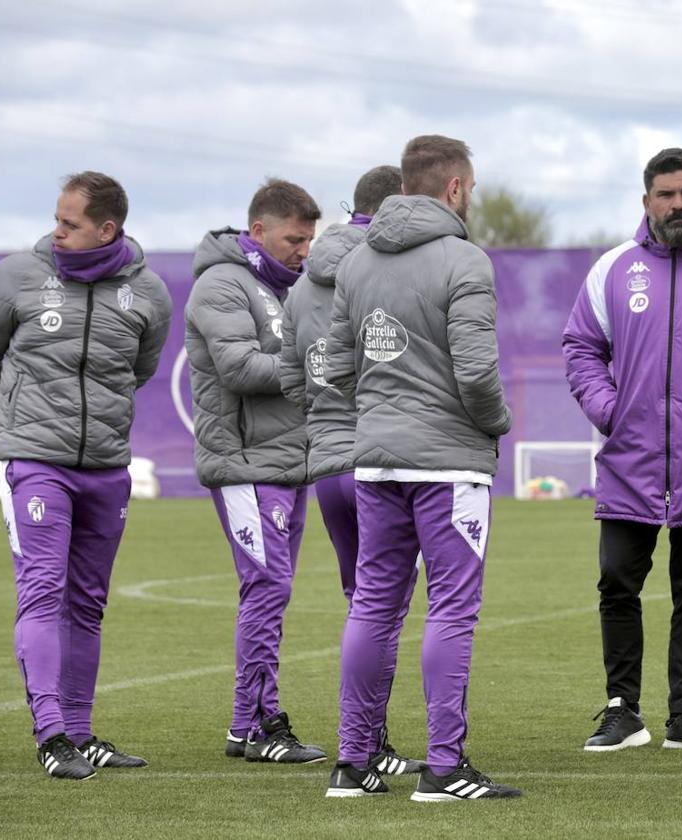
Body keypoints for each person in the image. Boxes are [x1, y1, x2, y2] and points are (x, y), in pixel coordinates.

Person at [326, 135, 520, 801]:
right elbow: (476, 372)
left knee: (374, 606)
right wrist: (497, 422)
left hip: (375, 461)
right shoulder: (464, 261)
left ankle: (353, 763)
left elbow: (340, 366)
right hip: (448, 463)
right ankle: (443, 767)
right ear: (457, 189)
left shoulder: (354, 265)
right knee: (452, 609)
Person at [563, 147, 682, 753]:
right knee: (617, 581)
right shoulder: (613, 269)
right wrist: (610, 412)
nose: (678, 205)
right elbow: (581, 347)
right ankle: (622, 710)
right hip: (631, 458)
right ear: (647, 202)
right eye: (666, 195)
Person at [0, 172, 172, 779]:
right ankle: (50, 735)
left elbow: (138, 369)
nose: (57, 231)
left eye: (70, 223)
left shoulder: (148, 293)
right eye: (57, 219)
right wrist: (16, 429)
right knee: (43, 591)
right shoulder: (17, 275)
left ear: (106, 228)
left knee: (88, 605)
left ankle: (79, 730)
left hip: (106, 468)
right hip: (36, 464)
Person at [279, 165, 426, 788]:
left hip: (327, 462)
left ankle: (360, 751)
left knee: (363, 609)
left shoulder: (301, 282)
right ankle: (369, 746)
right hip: (381, 459)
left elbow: (291, 376)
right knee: (388, 612)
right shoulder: (394, 266)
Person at [185, 178, 326, 764]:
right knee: (267, 588)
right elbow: (239, 368)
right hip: (244, 463)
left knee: (271, 590)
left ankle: (246, 726)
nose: (304, 250)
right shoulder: (220, 283)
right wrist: (316, 366)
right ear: (259, 230)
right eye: (295, 238)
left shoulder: (285, 286)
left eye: (310, 240)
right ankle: (263, 722)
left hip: (288, 462)